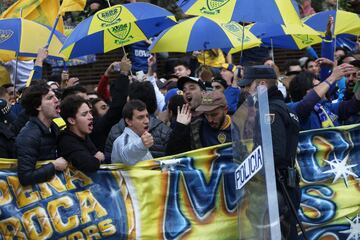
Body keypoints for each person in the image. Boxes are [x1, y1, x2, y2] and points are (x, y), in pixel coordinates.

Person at [238, 65, 301, 239]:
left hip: (278, 187)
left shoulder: (271, 110)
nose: (245, 90)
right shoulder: (284, 107)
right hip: (285, 185)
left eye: (248, 85)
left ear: (262, 84)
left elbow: (275, 153)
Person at [16, 83, 68, 186]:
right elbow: (25, 177)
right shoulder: (28, 136)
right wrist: (53, 166)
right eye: (50, 98)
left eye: (55, 96)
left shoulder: (55, 127)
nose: (56, 100)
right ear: (38, 106)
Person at [166, 91, 231, 155]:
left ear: (225, 110)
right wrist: (180, 127)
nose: (210, 120)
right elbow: (172, 154)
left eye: (214, 115)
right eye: (206, 115)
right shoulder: (197, 127)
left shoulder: (239, 129)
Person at [58, 95, 104, 172]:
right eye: (84, 114)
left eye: (90, 112)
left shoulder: (84, 136)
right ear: (72, 120)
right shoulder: (66, 141)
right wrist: (97, 159)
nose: (91, 117)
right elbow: (89, 165)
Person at [111, 100, 153, 165]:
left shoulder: (139, 137)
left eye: (147, 116)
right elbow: (126, 156)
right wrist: (141, 144)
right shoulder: (121, 140)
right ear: (128, 121)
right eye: (140, 117)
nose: (147, 121)